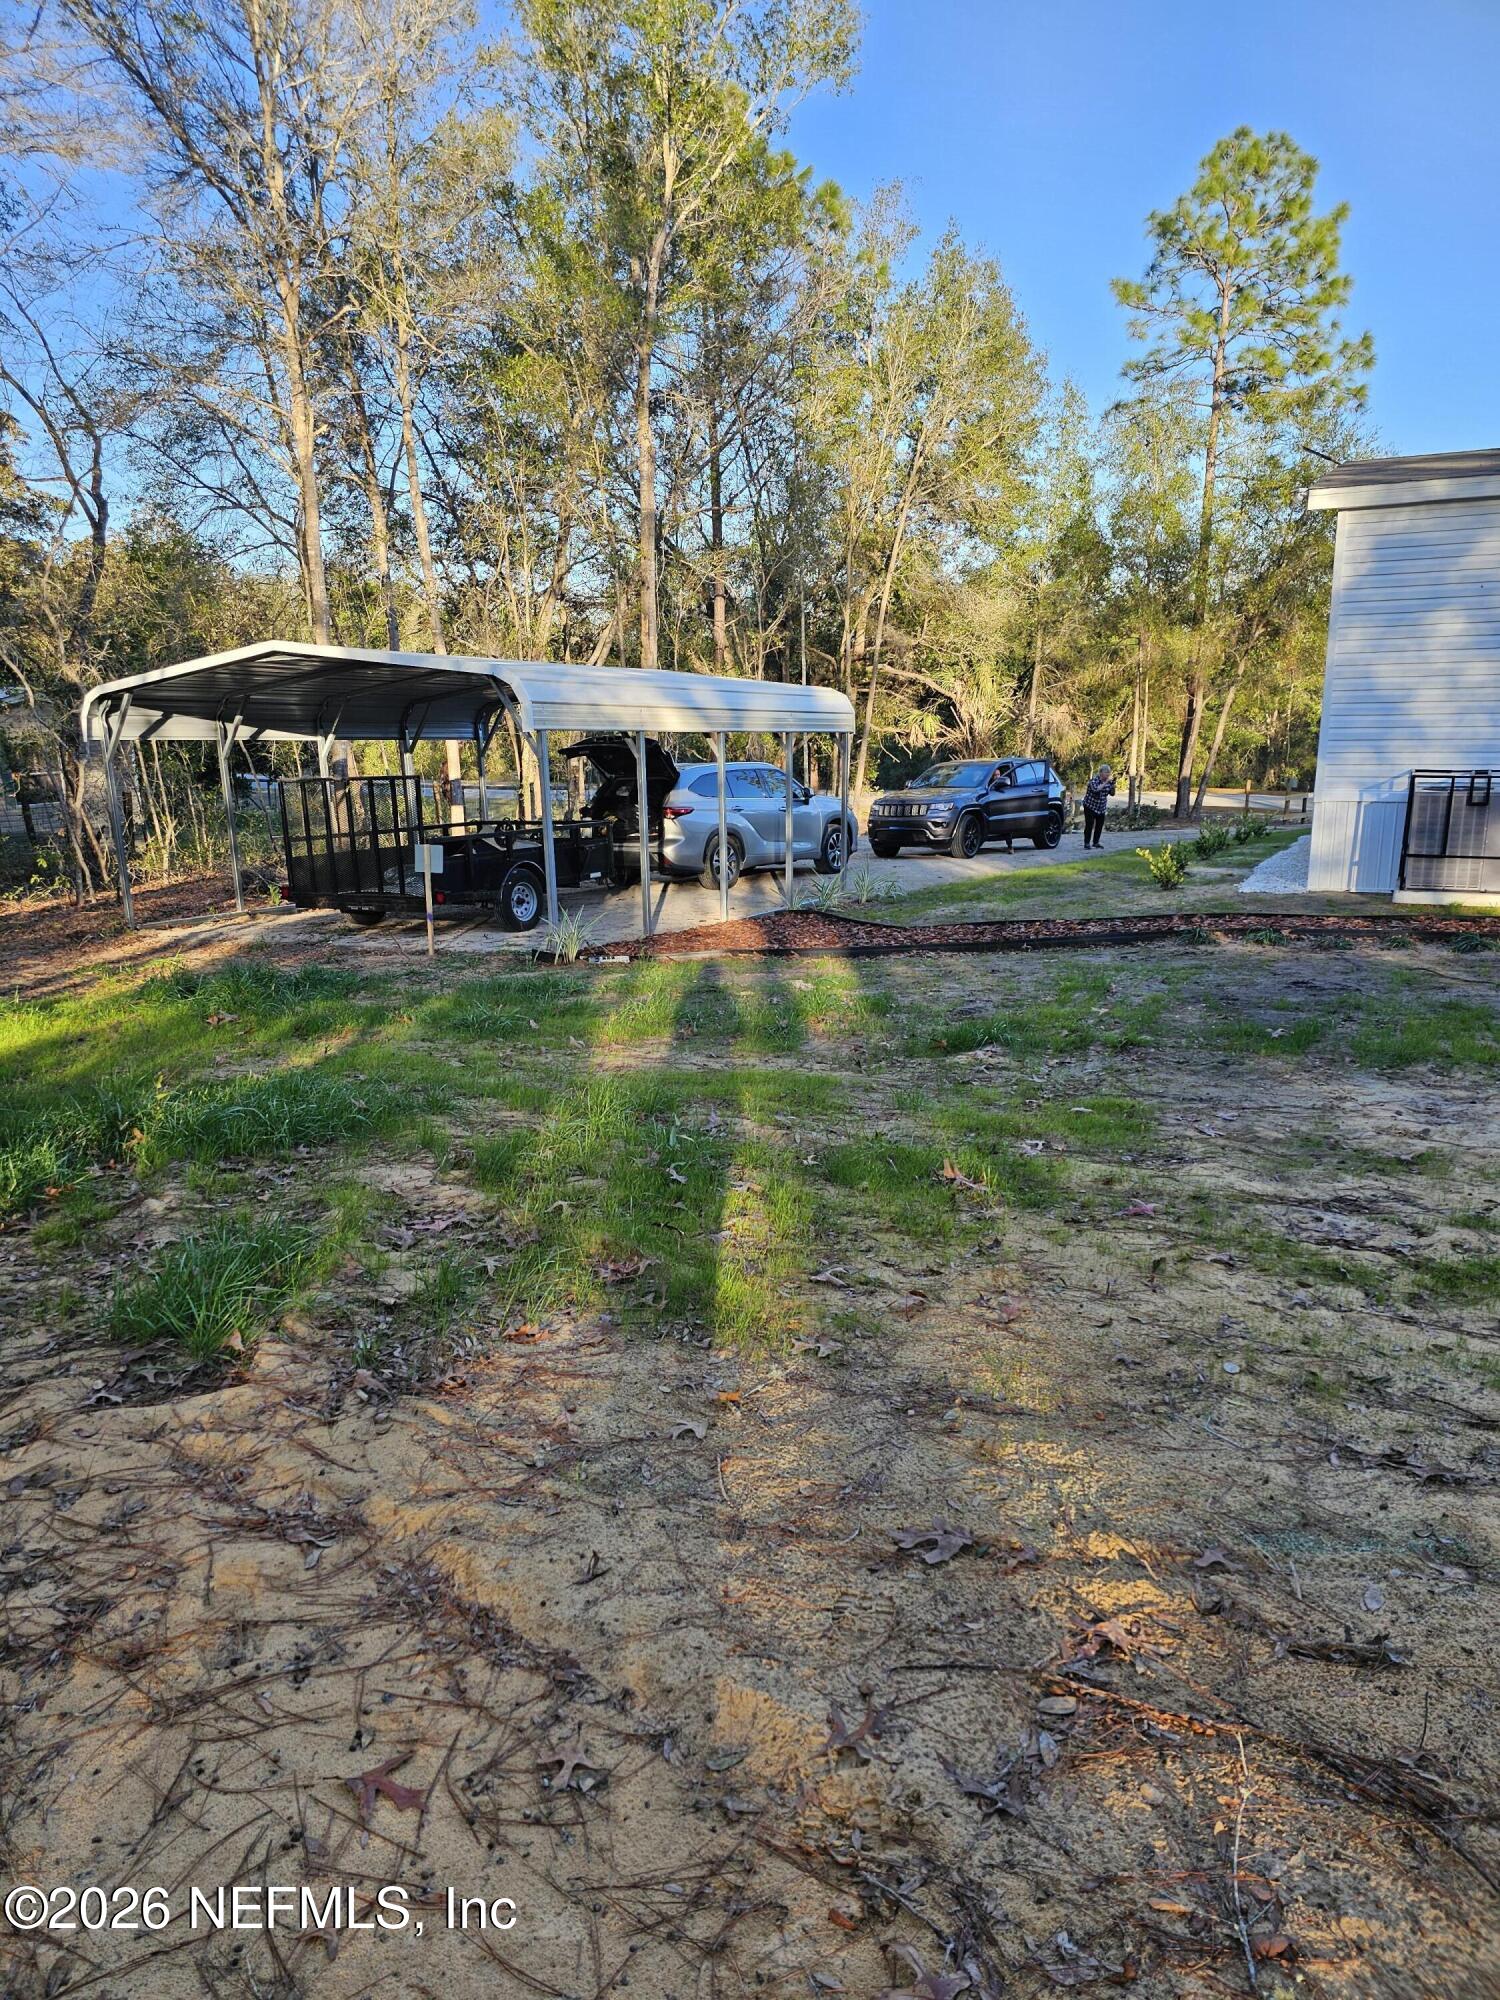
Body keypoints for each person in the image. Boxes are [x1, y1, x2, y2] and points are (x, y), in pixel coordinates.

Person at [1082, 764, 1115, 849]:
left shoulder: (1108, 782)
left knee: (1099, 825)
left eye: (1109, 772)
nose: (1108, 774)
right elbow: (1096, 789)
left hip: (1101, 807)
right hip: (1090, 806)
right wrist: (1106, 782)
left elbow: (1112, 794)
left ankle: (1096, 842)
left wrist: (1113, 786)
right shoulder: (1094, 781)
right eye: (1106, 772)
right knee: (1089, 825)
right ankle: (1086, 843)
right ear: (1100, 773)